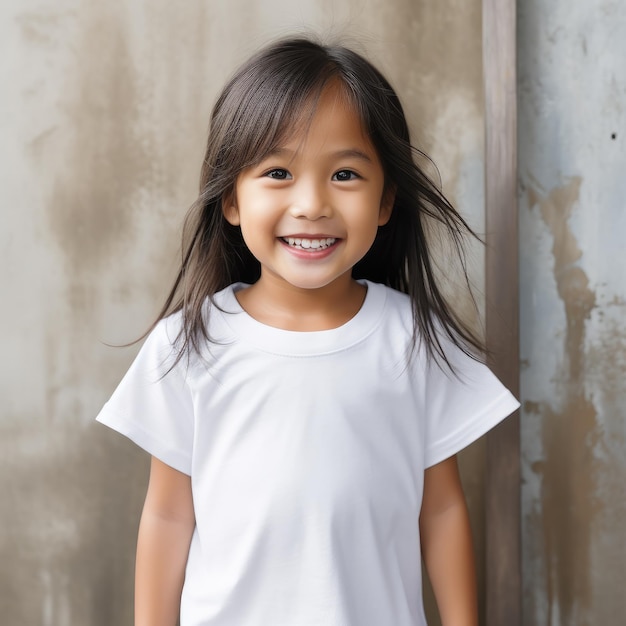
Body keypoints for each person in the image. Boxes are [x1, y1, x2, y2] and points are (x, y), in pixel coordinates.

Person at [96, 36, 519, 626]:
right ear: (232, 200)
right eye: (277, 172)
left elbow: (441, 509)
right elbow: (168, 516)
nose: (312, 203)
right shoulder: (189, 343)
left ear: (386, 200)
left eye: (344, 173)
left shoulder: (412, 338)